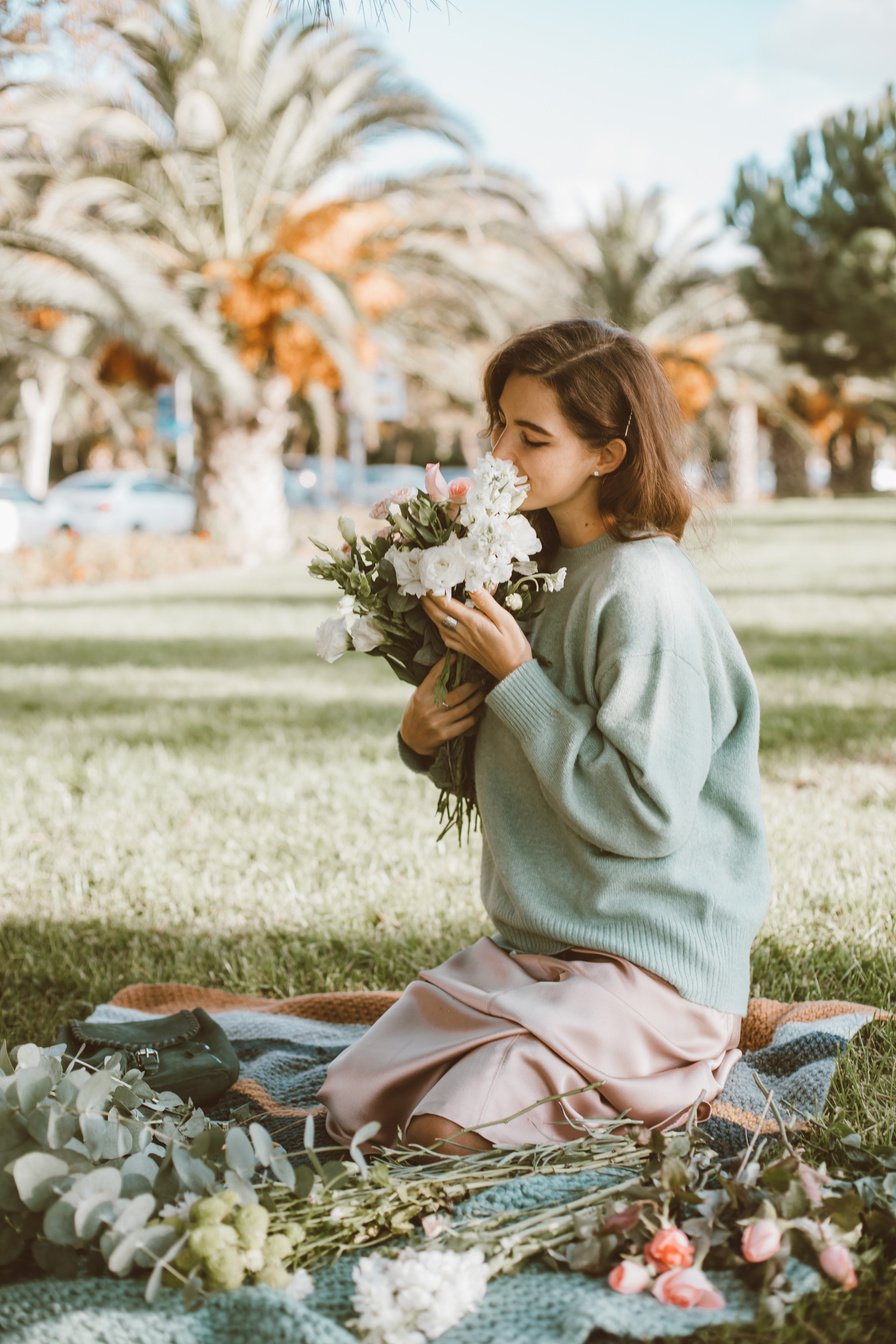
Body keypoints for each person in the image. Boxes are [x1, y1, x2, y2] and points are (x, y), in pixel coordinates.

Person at [317, 318, 771, 1156]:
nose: (500, 455)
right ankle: (553, 1053)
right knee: (351, 1107)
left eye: (532, 437)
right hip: (534, 952)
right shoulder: (522, 567)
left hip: (648, 963)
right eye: (497, 425)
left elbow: (642, 816)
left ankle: (683, 1061)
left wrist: (520, 679)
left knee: (446, 1133)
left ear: (608, 455)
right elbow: (531, 774)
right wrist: (424, 736)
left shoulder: (644, 593)